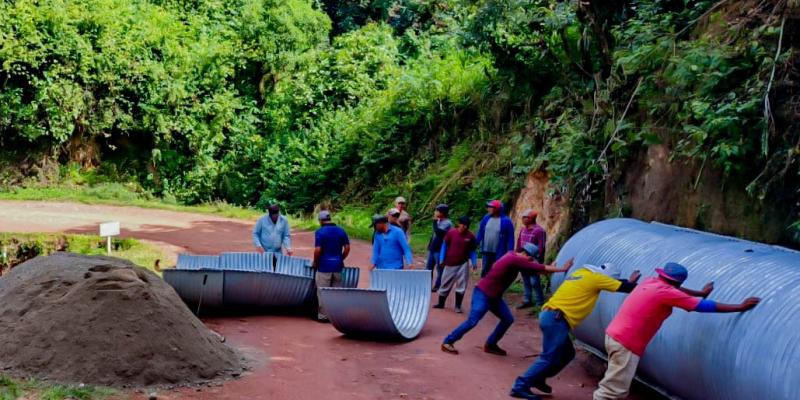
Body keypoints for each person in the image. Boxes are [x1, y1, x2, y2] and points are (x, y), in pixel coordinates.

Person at [592, 262, 760, 400]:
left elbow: (676, 291)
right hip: (626, 342)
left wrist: (700, 292)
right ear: (678, 282)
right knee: (613, 390)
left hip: (614, 334)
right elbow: (703, 306)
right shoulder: (666, 293)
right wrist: (739, 307)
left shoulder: (651, 281)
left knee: (615, 383)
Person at [510, 263, 641, 400]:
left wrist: (626, 282)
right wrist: (633, 283)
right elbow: (626, 288)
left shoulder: (582, 273)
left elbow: (616, 283)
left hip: (550, 316)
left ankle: (538, 378)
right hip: (557, 320)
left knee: (567, 353)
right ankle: (520, 386)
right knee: (549, 357)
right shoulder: (596, 278)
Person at [441, 244, 574, 356]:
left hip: (494, 297)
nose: (530, 261)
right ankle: (448, 341)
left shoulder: (514, 256)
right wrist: (562, 268)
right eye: (530, 258)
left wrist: (550, 268)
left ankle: (491, 344)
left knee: (507, 319)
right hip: (483, 293)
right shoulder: (514, 259)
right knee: (473, 320)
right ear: (525, 254)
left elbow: (536, 270)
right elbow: (539, 268)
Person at [312, 210, 350, 322]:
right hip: (338, 266)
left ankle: (323, 316)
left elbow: (318, 250)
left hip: (324, 267)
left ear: (320, 220)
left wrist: (315, 262)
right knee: (336, 292)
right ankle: (335, 315)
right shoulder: (341, 231)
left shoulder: (320, 232)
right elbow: (347, 248)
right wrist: (341, 258)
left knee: (322, 291)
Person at [433, 216, 477, 313]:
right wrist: (441, 259)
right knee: (445, 282)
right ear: (459, 224)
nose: (464, 227)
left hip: (463, 263)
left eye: (466, 225)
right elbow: (444, 246)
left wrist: (474, 262)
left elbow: (472, 251)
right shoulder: (451, 233)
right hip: (450, 262)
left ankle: (458, 306)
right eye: (462, 225)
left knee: (462, 284)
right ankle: (441, 303)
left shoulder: (470, 236)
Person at [516, 209, 547, 309]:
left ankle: (539, 302)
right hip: (523, 258)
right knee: (526, 280)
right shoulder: (523, 230)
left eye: (525, 217)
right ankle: (527, 300)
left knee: (534, 281)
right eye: (523, 217)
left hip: (533, 260)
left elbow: (541, 247)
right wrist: (517, 253)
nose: (523, 219)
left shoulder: (539, 231)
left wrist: (539, 260)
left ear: (531, 218)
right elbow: (519, 242)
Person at [476, 200, 515, 278]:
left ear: (497, 209)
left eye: (490, 207)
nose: (488, 209)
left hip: (500, 252)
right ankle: (483, 283)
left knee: (498, 271)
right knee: (485, 270)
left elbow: (511, 238)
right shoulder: (486, 218)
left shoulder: (507, 221)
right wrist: (475, 243)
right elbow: (480, 232)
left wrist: (510, 251)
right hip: (486, 250)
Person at [427, 204, 453, 291]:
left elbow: (438, 232)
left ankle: (438, 285)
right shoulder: (438, 221)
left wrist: (434, 222)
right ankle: (427, 285)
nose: (435, 212)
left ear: (442, 213)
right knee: (428, 268)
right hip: (433, 247)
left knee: (439, 268)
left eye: (437, 211)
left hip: (440, 248)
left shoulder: (447, 223)